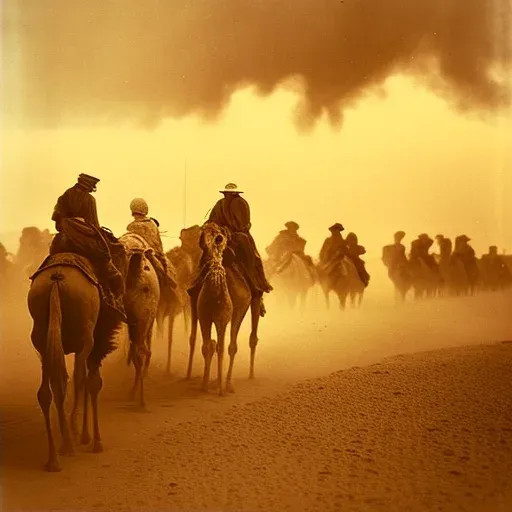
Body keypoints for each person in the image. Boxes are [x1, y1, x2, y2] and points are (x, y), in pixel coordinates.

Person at [48, 174, 126, 318]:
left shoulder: (65, 195)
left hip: (63, 241)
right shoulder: (89, 199)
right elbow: (94, 224)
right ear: (89, 186)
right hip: (84, 242)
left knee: (50, 257)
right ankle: (114, 301)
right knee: (111, 267)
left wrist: (68, 225)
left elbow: (57, 222)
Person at [190, 183, 272, 316]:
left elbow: (244, 223)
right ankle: (197, 283)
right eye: (226, 193)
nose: (228, 195)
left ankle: (255, 285)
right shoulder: (219, 204)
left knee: (252, 258)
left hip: (239, 235)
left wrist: (231, 230)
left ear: (235, 193)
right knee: (206, 253)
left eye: (230, 193)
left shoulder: (242, 204)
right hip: (219, 235)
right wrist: (211, 228)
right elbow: (213, 220)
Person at [126, 198, 177, 291]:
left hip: (144, 253)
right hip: (156, 254)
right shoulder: (153, 224)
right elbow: (158, 246)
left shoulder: (131, 226)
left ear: (132, 211)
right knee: (164, 273)